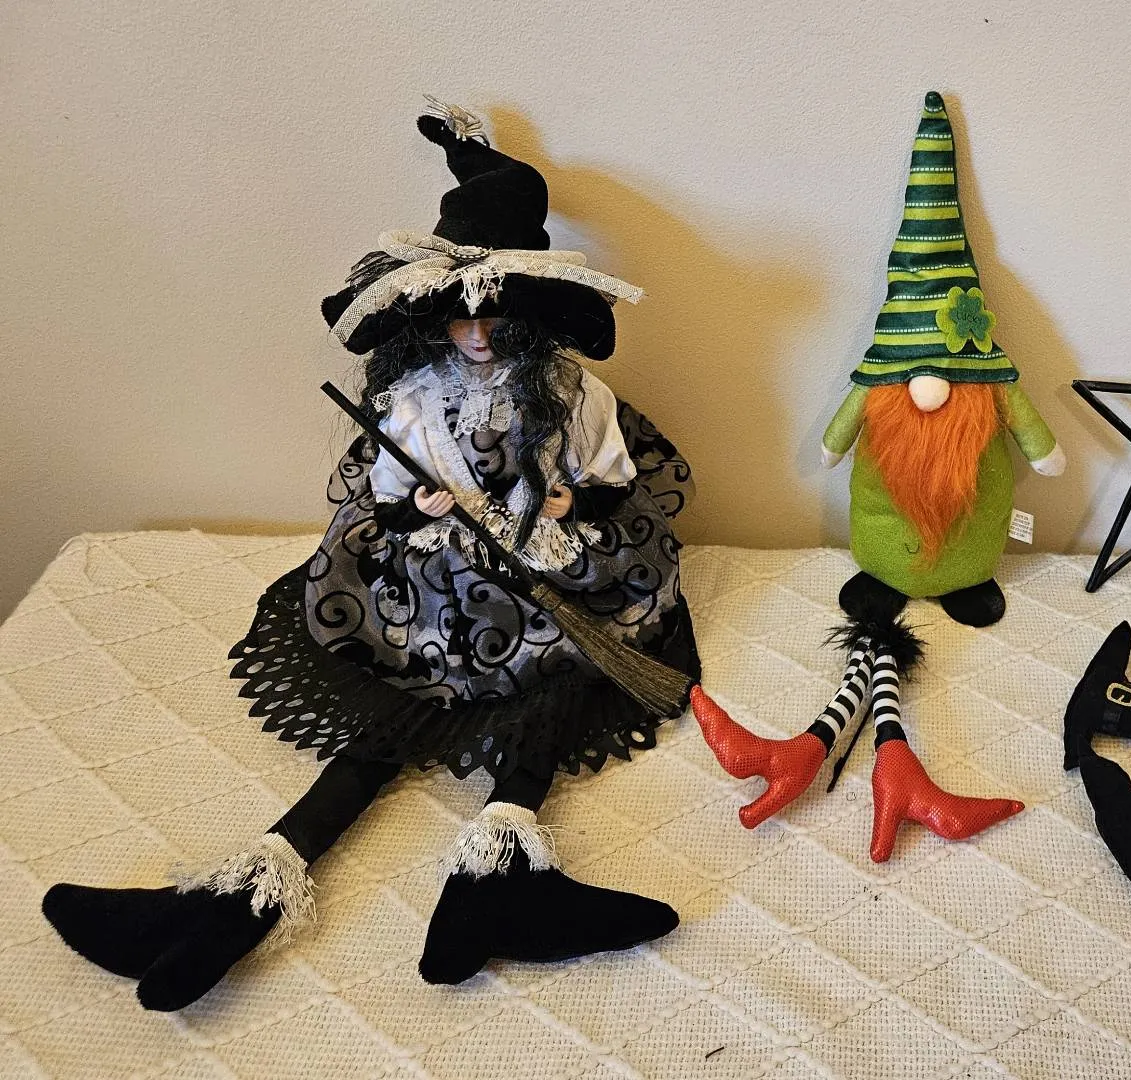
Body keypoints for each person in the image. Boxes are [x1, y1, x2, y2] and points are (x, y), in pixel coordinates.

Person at [42, 101, 698, 1011]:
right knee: (396, 706)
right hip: (441, 587)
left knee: (555, 678)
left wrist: (569, 502)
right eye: (460, 320)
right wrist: (411, 508)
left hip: (546, 571)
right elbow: (388, 497)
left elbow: (609, 476)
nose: (478, 337)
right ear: (432, 322)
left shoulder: (571, 393)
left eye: (497, 318)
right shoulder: (416, 399)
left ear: (529, 316)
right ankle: (245, 891)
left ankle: (500, 868)